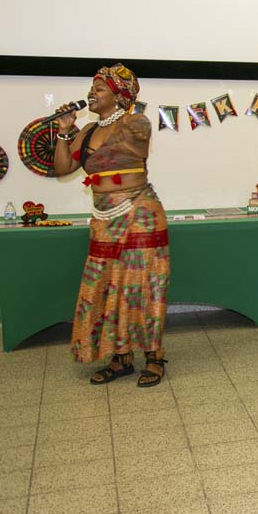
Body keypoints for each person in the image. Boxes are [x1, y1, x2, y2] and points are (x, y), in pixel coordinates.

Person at [54, 64, 170, 387]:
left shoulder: (137, 123)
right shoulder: (87, 132)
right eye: (92, 87)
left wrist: (86, 143)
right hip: (104, 219)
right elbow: (63, 168)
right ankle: (120, 359)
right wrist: (66, 132)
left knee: (142, 287)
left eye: (99, 89)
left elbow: (116, 155)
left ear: (120, 96)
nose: (91, 93)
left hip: (140, 215)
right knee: (106, 286)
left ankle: (154, 357)